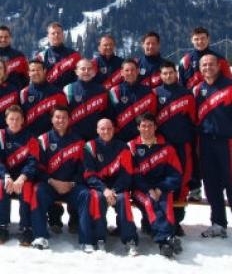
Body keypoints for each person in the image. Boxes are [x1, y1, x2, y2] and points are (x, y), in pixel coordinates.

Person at [30, 107, 93, 252]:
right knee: (37, 191)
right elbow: (38, 168)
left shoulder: (79, 141)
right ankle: (40, 236)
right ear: (52, 120)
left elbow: (83, 169)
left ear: (69, 120)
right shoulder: (43, 139)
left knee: (86, 195)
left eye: (64, 117)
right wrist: (52, 181)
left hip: (71, 186)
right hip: (50, 185)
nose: (60, 120)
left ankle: (86, 241)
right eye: (57, 117)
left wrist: (71, 183)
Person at [128, 113, 183, 258]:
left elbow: (176, 174)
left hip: (161, 187)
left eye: (150, 126)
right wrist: (149, 189)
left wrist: (160, 188)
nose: (147, 129)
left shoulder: (167, 147)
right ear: (138, 128)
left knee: (165, 202)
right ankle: (167, 237)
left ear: (155, 127)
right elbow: (133, 175)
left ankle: (164, 242)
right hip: (140, 189)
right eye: (143, 126)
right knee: (149, 201)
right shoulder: (131, 147)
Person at [83, 118, 138, 256]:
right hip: (99, 188)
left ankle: (130, 240)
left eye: (109, 128)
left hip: (117, 188)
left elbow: (126, 174)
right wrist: (104, 189)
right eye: (102, 129)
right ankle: (99, 238)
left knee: (123, 199)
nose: (106, 131)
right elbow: (89, 175)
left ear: (113, 130)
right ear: (97, 130)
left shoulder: (123, 147)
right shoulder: (90, 146)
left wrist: (113, 191)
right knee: (97, 198)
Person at [155, 60, 197, 232]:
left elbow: (193, 119)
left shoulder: (186, 94)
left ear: (176, 73)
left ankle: (177, 220)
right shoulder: (155, 94)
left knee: (181, 181)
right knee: (161, 180)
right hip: (162, 146)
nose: (168, 76)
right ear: (160, 75)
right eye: (164, 73)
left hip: (181, 145)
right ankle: (158, 219)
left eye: (171, 72)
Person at [193, 54, 232, 238]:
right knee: (211, 184)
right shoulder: (198, 90)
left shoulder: (229, 86)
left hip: (227, 142)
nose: (207, 67)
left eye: (211, 64)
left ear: (218, 66)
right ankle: (218, 223)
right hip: (206, 143)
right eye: (204, 65)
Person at [0, 106, 39, 246]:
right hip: (6, 176)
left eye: (18, 119)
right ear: (6, 120)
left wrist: (22, 177)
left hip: (23, 178)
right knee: (0, 185)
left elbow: (33, 162)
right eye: (11, 119)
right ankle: (2, 226)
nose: (14, 122)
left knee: (27, 188)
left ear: (23, 120)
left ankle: (26, 228)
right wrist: (5, 176)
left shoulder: (31, 138)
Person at [109, 59, 157, 142]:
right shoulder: (114, 91)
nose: (130, 73)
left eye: (133, 70)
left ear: (138, 71)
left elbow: (153, 114)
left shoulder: (148, 91)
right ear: (121, 73)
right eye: (127, 70)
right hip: (121, 138)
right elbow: (110, 115)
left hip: (143, 138)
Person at [64, 59, 110, 140]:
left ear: (94, 72)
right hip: (74, 137)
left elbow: (107, 113)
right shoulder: (68, 89)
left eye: (89, 69)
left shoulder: (101, 90)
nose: (86, 71)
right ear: (76, 71)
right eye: (83, 69)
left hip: (96, 137)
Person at [19, 60, 67, 137]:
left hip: (51, 138)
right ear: (29, 73)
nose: (36, 73)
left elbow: (64, 118)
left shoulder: (57, 93)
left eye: (38, 70)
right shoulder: (23, 93)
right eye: (33, 70)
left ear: (44, 71)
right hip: (30, 138)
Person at [35, 22, 80, 88]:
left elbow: (80, 77)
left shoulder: (74, 55)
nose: (56, 35)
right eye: (53, 33)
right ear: (48, 36)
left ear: (63, 35)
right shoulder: (41, 57)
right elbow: (36, 78)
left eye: (58, 33)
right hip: (49, 93)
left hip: (69, 92)